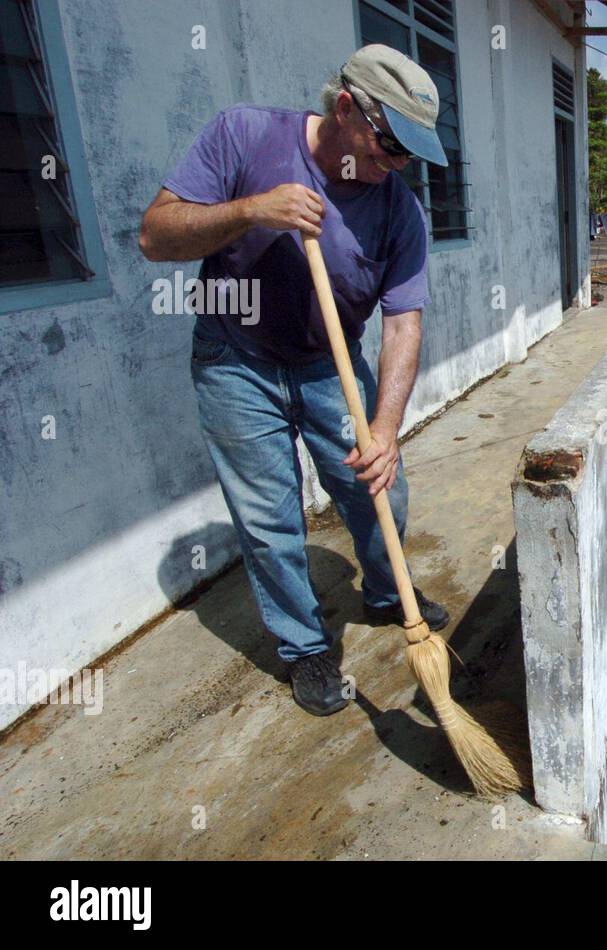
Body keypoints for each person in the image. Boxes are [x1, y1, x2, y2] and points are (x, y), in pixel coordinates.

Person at [139, 45, 451, 717]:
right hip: (236, 363)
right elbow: (155, 237)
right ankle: (304, 645)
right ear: (345, 108)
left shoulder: (401, 211)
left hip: (327, 369)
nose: (396, 168)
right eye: (388, 148)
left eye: (409, 157)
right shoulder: (244, 136)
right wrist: (250, 210)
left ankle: (385, 589)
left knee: (377, 493)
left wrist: (388, 430)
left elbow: (402, 326)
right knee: (269, 518)